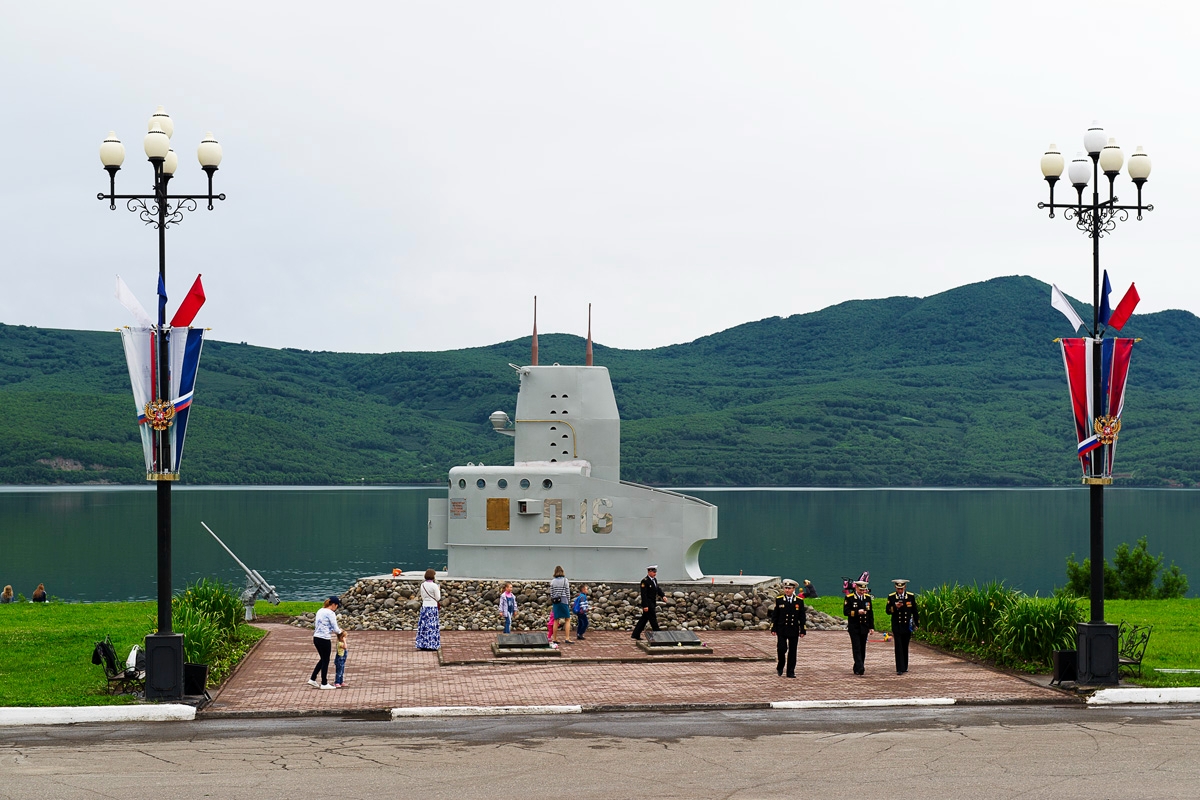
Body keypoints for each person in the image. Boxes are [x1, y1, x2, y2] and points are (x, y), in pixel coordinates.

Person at [771, 579, 806, 678]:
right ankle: (780, 665)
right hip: (782, 629)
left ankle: (790, 671)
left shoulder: (799, 601)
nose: (787, 590)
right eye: (785, 588)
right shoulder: (779, 600)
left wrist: (803, 629)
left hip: (793, 629)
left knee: (792, 651)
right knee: (781, 649)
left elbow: (802, 616)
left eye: (789, 588)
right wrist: (773, 628)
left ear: (793, 589)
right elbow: (775, 615)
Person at [885, 579, 920, 675]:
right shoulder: (892, 597)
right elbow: (888, 611)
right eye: (898, 588)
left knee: (905, 645)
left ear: (904, 587)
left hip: (907, 625)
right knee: (898, 646)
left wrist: (916, 624)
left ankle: (905, 666)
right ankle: (899, 668)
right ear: (895, 588)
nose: (900, 590)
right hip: (897, 625)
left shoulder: (910, 596)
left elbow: (914, 611)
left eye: (901, 588)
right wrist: (895, 607)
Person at [308, 596, 342, 689]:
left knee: (323, 659)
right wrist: (341, 633)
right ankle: (324, 683)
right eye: (337, 606)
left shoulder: (320, 610)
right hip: (324, 639)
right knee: (326, 660)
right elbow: (335, 628)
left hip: (316, 638)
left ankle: (313, 678)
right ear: (334, 605)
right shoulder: (330, 613)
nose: (337, 608)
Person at [843, 579, 875, 676]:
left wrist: (871, 627)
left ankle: (857, 666)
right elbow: (846, 612)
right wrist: (857, 612)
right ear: (856, 588)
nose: (862, 592)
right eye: (860, 590)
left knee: (862, 648)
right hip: (854, 627)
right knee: (856, 647)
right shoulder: (849, 598)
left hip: (864, 627)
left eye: (863, 590)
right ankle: (861, 667)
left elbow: (870, 613)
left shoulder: (867, 598)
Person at [631, 565, 665, 640]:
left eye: (655, 572)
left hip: (653, 602)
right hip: (648, 603)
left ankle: (635, 634)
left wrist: (663, 596)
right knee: (653, 618)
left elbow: (658, 589)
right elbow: (644, 595)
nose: (655, 573)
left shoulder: (654, 580)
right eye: (653, 572)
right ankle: (658, 633)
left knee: (644, 619)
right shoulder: (645, 581)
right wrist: (645, 606)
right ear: (649, 572)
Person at [415, 569, 441, 651]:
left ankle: (422, 643)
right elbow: (438, 598)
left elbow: (422, 596)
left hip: (425, 606)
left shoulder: (422, 585)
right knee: (432, 626)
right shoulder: (434, 586)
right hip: (432, 607)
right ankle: (432, 644)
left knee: (424, 625)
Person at [549, 566, 572, 644]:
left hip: (556, 602)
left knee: (556, 620)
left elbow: (551, 594)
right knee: (567, 619)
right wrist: (568, 601)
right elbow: (567, 592)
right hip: (564, 600)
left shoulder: (552, 581)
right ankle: (567, 638)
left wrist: (554, 601)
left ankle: (554, 638)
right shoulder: (565, 581)